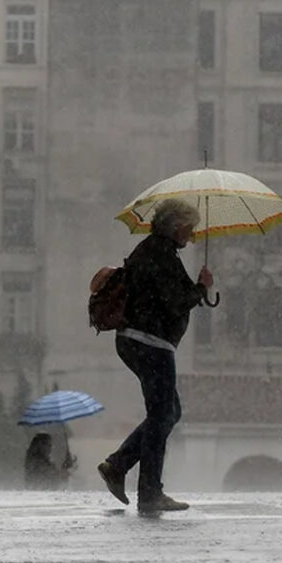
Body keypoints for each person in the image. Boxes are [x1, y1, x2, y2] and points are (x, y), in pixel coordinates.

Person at [97, 199, 213, 512]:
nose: (192, 235)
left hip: (140, 342)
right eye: (189, 228)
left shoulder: (154, 251)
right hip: (150, 343)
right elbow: (175, 301)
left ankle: (119, 465)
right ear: (176, 226)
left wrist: (197, 289)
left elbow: (169, 295)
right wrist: (201, 288)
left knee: (168, 413)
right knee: (163, 415)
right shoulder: (161, 254)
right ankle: (148, 492)